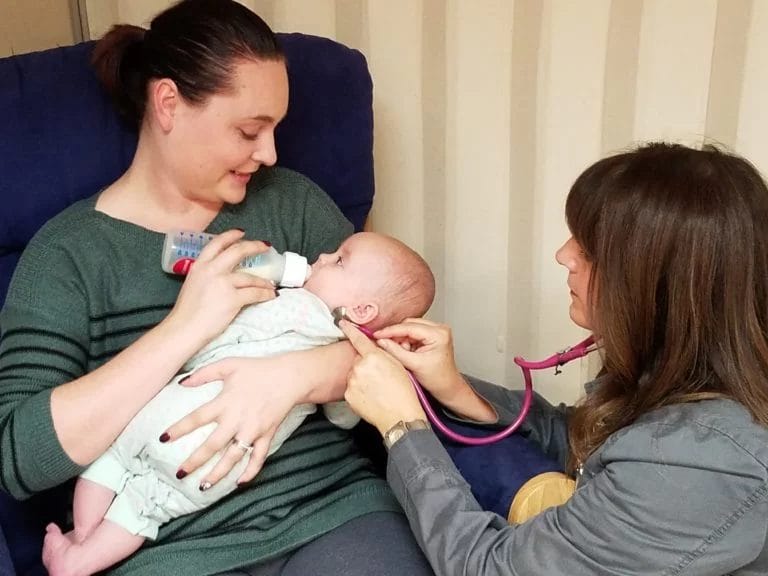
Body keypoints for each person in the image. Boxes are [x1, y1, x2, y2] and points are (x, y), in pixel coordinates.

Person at [0, 1, 436, 575]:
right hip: (163, 544)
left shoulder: (292, 203)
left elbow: (399, 348)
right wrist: (185, 328)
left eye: (276, 129)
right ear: (168, 104)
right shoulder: (69, 253)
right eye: (250, 130)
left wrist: (296, 376)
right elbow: (21, 459)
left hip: (332, 513)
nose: (271, 153)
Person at [340, 142, 768, 575]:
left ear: (658, 284)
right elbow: (594, 442)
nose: (564, 255)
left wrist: (403, 429)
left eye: (588, 248)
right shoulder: (679, 375)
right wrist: (455, 389)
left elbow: (492, 569)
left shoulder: (703, 462)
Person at [41, 231, 435, 576]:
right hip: (218, 465)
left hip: (165, 414)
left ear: (363, 310)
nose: (321, 257)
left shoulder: (297, 303)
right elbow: (346, 412)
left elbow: (228, 332)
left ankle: (84, 534)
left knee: (110, 461)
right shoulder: (346, 346)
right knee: (145, 509)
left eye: (338, 260)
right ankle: (80, 560)